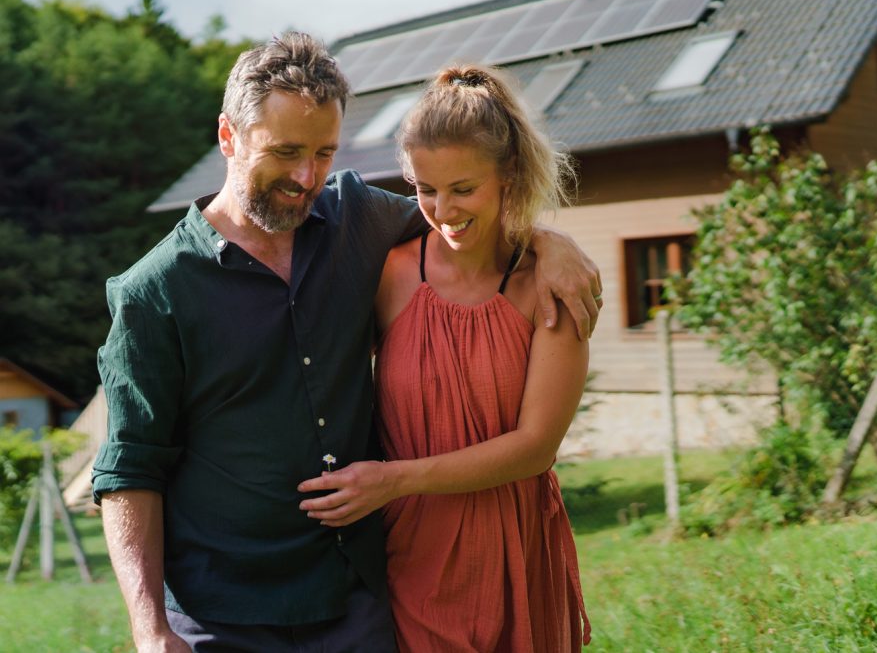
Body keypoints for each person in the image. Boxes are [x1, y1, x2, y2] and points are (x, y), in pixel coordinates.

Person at [92, 34, 602, 653]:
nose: (306, 177)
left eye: (324, 152)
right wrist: (150, 629)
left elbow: (470, 219)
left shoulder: (358, 219)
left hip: (355, 598)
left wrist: (553, 243)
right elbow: (129, 469)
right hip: (221, 613)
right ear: (228, 137)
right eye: (284, 152)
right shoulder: (155, 291)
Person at [299, 64, 593, 651]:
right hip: (413, 554)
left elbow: (536, 448)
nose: (444, 209)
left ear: (508, 174)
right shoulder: (391, 272)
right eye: (425, 190)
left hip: (516, 547)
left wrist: (393, 480)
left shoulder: (552, 287)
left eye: (464, 189)